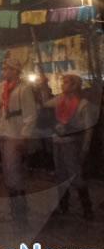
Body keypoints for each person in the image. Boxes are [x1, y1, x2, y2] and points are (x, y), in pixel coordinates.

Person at [39, 74, 95, 220]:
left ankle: (87, 207)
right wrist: (44, 86)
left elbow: (89, 128)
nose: (63, 85)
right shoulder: (59, 100)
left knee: (75, 175)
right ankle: (63, 206)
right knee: (60, 175)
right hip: (58, 141)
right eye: (63, 82)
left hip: (72, 143)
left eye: (66, 82)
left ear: (75, 85)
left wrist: (85, 147)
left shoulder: (83, 104)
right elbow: (45, 103)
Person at [0, 57, 37, 226]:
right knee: (8, 174)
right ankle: (15, 211)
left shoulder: (24, 90)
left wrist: (24, 137)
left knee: (14, 174)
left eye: (7, 69)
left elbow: (30, 115)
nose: (4, 72)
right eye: (3, 68)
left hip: (15, 135)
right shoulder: (3, 88)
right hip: (4, 132)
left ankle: (20, 215)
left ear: (15, 71)